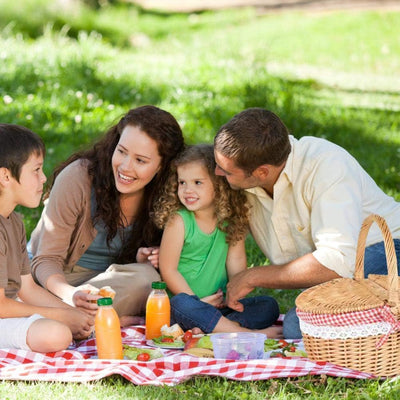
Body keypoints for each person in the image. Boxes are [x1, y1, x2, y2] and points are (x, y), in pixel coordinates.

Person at [213, 107, 400, 339]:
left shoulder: (326, 165)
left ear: (262, 172)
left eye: (227, 171)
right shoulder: (247, 178)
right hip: (342, 274)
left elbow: (337, 261)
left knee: (297, 327)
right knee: (302, 325)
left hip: (387, 250)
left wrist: (253, 276)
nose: (217, 172)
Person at [29, 105, 185, 327]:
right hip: (55, 280)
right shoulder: (78, 178)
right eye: (121, 151)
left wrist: (148, 257)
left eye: (140, 160)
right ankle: (93, 319)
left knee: (147, 279)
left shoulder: (170, 195)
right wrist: (70, 295)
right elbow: (45, 260)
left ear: (163, 166)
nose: (125, 167)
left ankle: (73, 320)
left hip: (109, 285)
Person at [153, 144, 281, 337]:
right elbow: (168, 270)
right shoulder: (179, 221)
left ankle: (216, 328)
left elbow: (236, 264)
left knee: (268, 306)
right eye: (182, 182)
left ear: (219, 184)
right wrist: (196, 301)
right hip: (186, 307)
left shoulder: (231, 220)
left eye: (197, 182)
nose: (187, 189)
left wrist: (234, 297)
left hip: (219, 307)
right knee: (181, 304)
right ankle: (244, 333)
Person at [0, 124, 94, 352]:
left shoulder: (14, 222)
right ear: (5, 176)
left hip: (9, 309)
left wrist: (72, 313)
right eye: (36, 170)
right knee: (56, 333)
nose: (44, 178)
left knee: (74, 322)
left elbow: (27, 287)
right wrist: (61, 316)